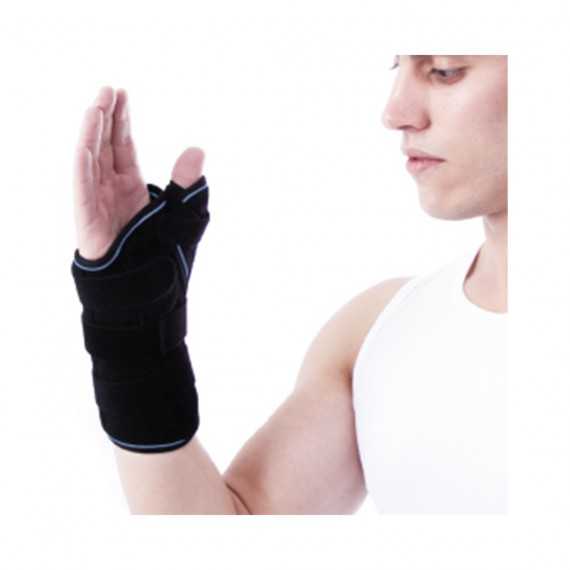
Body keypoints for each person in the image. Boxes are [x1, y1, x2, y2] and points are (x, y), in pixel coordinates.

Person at [71, 54, 507, 514]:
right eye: (397, 65)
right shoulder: (380, 331)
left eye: (444, 70)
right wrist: (135, 334)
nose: (395, 113)